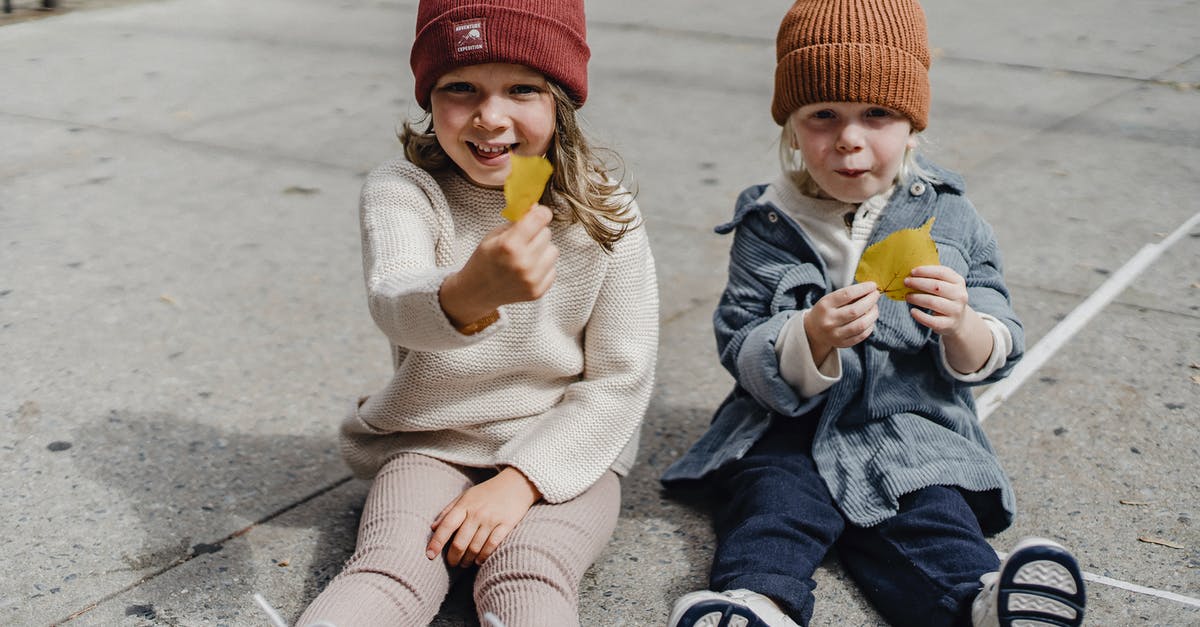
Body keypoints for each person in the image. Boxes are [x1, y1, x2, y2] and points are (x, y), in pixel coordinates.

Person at [660, 1, 1085, 626]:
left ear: (912, 125)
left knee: (931, 511)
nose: (849, 139)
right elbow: (739, 336)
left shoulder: (952, 218)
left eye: (877, 115)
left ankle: (980, 604)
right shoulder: (767, 221)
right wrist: (809, 337)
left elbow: (999, 337)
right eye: (823, 116)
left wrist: (962, 325)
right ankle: (756, 604)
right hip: (787, 423)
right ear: (792, 128)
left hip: (909, 424)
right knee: (774, 502)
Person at [294, 1, 658, 625]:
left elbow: (621, 379)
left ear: (561, 103)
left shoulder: (606, 211)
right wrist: (470, 290)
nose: (491, 118)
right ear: (429, 99)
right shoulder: (405, 191)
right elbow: (396, 300)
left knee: (530, 571)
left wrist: (522, 480)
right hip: (431, 440)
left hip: (567, 448)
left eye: (522, 88)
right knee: (390, 568)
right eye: (460, 88)